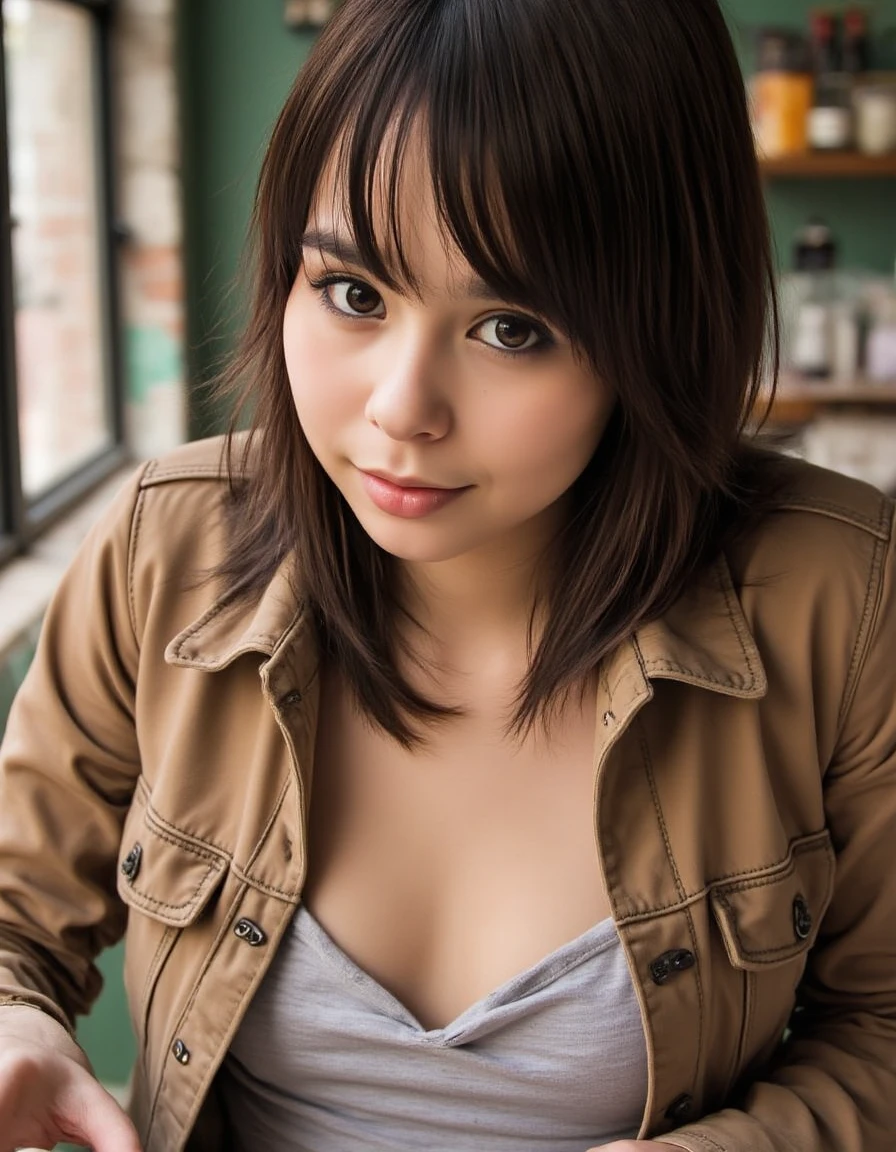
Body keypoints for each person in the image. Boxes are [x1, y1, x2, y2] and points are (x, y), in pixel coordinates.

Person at [0, 0, 894, 1148]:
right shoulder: (169, 550)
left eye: (512, 327)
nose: (399, 409)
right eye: (352, 294)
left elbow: (878, 1022)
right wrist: (16, 1021)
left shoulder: (837, 598)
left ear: (660, 326)